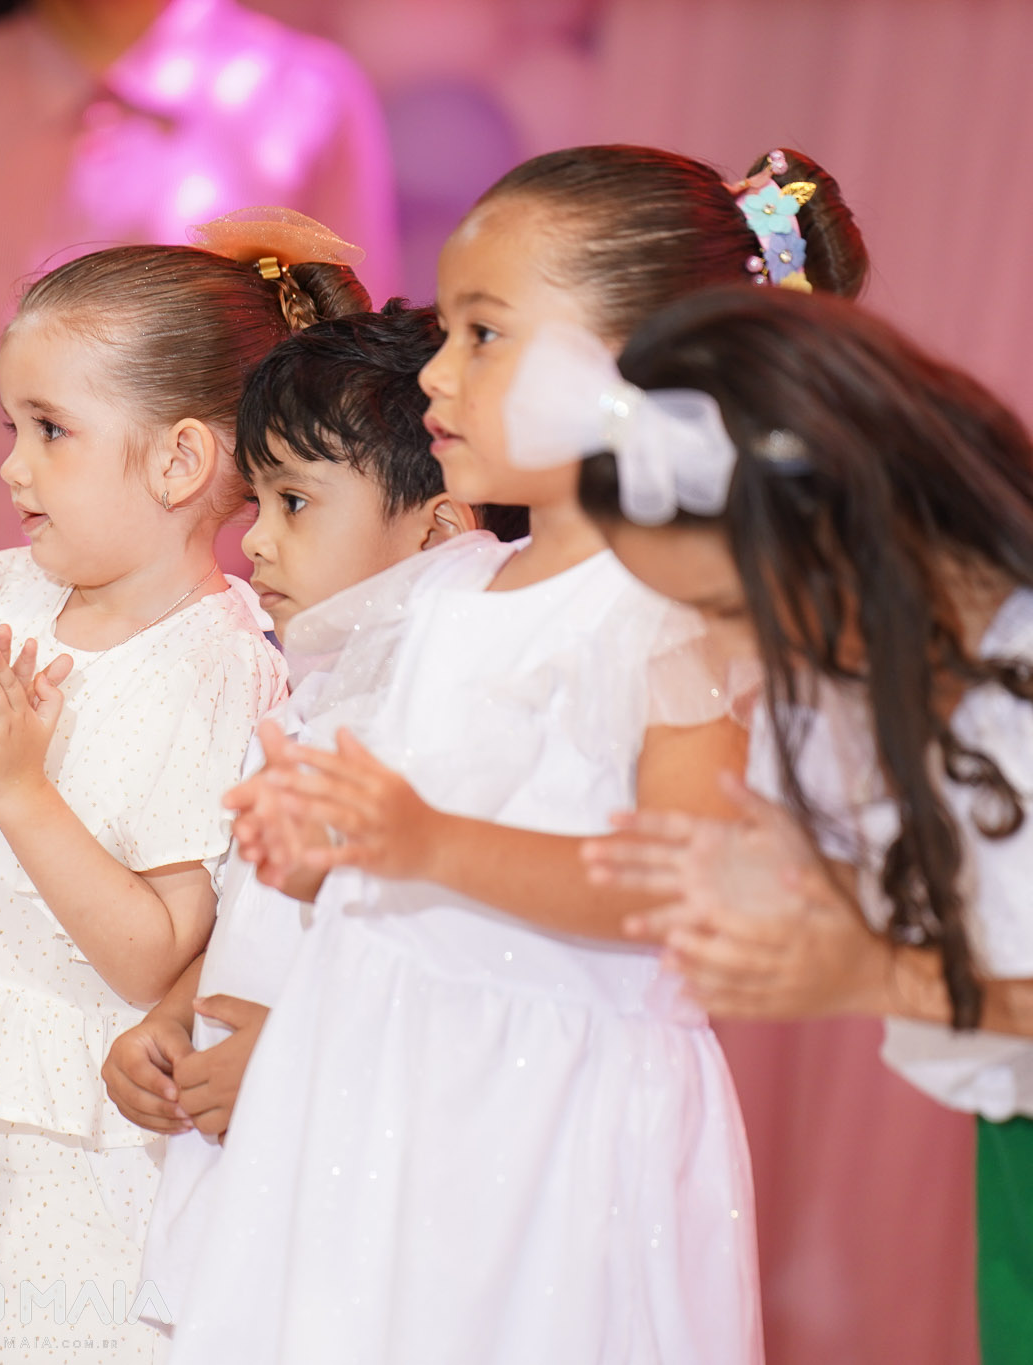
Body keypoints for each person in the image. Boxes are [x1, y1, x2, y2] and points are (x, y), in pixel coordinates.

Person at [169, 144, 866, 1364]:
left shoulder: (674, 603)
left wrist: (421, 844)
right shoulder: (450, 592)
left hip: (540, 1130)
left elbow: (680, 882)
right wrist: (334, 851)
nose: (438, 372)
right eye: (448, 332)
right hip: (381, 1097)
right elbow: (431, 847)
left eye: (484, 335)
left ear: (650, 366)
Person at [0, 8, 397, 1341]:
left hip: (110, 1150)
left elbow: (148, 953)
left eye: (49, 430)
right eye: (11, 423)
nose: (9, 467)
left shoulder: (222, 667)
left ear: (180, 461)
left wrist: (20, 787)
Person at [551, 285, 1033, 1363]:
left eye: (732, 611)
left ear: (847, 525)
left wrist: (873, 972)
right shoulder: (862, 687)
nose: (737, 657)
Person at [100, 300, 486, 1329]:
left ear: (438, 528)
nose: (256, 540)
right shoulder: (309, 700)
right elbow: (255, 918)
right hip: (256, 1168)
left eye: (296, 502)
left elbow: (460, 973)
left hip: (362, 1190)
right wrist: (173, 1016)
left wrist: (292, 1060)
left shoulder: (454, 719)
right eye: (256, 501)